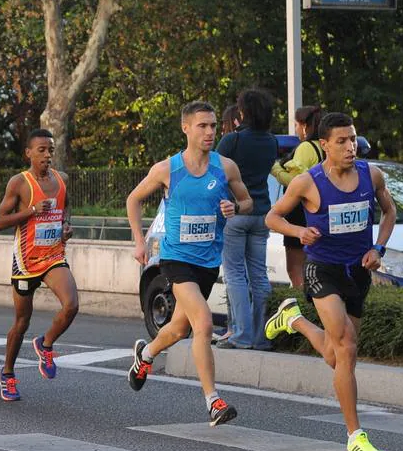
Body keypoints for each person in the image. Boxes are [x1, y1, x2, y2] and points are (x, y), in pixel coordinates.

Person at [264, 112, 396, 451]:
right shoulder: (307, 182)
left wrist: (378, 248)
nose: (350, 146)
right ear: (324, 145)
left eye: (353, 139)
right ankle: (355, 436)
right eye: (341, 141)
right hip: (322, 270)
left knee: (336, 356)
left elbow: (389, 212)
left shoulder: (372, 175)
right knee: (347, 347)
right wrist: (298, 232)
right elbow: (272, 217)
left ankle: (293, 320)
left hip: (358, 272)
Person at [126, 101, 254, 426]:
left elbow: (248, 201)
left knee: (181, 327)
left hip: (208, 261)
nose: (210, 132)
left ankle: (145, 355)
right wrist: (140, 241)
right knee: (204, 321)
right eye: (203, 126)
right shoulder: (168, 169)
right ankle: (213, 400)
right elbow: (133, 199)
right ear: (186, 128)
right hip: (175, 259)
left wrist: (234, 209)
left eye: (213, 126)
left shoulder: (225, 168)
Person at [0, 129, 78, 401]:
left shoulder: (62, 179)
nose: (47, 155)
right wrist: (31, 211)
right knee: (22, 321)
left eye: (50, 150)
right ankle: (7, 374)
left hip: (53, 255)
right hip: (26, 262)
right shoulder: (20, 183)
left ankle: (46, 343)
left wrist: (65, 226)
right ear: (28, 153)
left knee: (72, 305)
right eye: (41, 150)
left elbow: (65, 209)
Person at [216, 89, 279, 350]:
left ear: (244, 113)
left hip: (235, 213)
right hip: (262, 214)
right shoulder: (272, 141)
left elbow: (213, 171)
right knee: (259, 275)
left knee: (234, 275)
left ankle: (240, 335)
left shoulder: (233, 141)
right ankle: (261, 337)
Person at [271, 105, 325, 287]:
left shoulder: (306, 147)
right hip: (320, 210)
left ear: (303, 126)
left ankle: (304, 306)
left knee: (296, 270)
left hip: (299, 212)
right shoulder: (326, 147)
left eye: (296, 125)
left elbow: (295, 182)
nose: (295, 129)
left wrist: (276, 169)